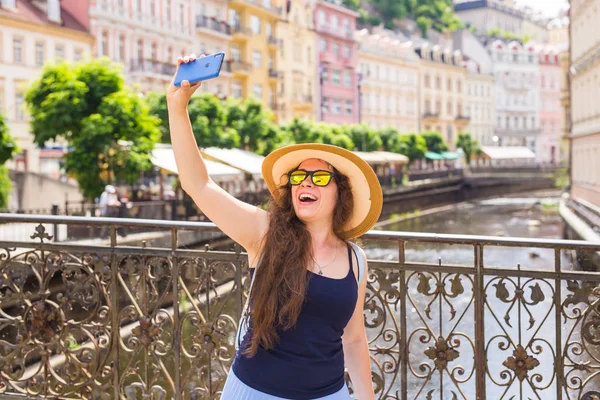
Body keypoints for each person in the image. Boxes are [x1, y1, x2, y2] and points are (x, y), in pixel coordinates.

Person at [167, 54, 381, 400]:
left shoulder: (356, 259)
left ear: (340, 193)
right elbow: (198, 184)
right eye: (299, 176)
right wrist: (178, 108)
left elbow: (354, 337)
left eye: (320, 177)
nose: (305, 183)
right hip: (256, 392)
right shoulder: (265, 234)